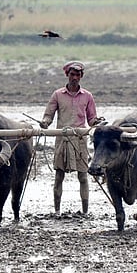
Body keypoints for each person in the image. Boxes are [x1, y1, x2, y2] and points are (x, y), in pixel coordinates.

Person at [40, 61, 103, 214]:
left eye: (78, 75)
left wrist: (97, 122)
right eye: (72, 74)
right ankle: (57, 211)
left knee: (83, 176)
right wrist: (45, 123)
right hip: (62, 139)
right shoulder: (57, 94)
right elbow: (48, 115)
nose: (74, 77)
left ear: (81, 77)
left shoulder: (87, 96)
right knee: (59, 176)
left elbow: (91, 119)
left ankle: (85, 212)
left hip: (80, 139)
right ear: (67, 75)